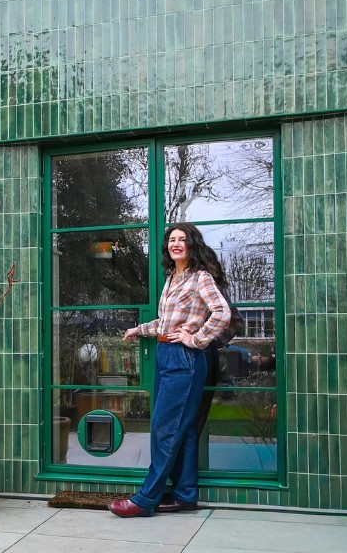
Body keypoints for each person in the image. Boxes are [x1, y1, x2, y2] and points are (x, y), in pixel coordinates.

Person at [108, 222, 231, 518]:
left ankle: (146, 498)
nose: (176, 244)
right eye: (172, 240)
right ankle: (185, 495)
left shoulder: (200, 277)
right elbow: (166, 323)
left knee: (164, 429)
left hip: (184, 358)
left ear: (192, 245)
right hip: (165, 354)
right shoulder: (171, 278)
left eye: (182, 239)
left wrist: (196, 339)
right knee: (182, 429)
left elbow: (222, 313)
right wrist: (139, 329)